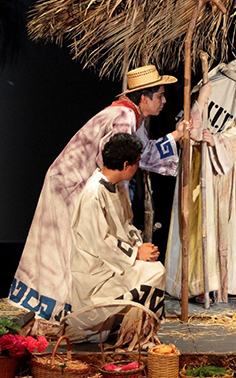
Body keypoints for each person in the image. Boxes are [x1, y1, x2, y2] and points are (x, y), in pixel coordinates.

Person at [9, 65, 189, 322]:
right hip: (71, 183)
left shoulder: (131, 115)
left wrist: (176, 135)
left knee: (78, 241)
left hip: (84, 181)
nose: (164, 101)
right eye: (159, 95)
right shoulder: (124, 116)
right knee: (67, 243)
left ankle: (69, 304)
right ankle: (60, 306)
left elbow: (143, 153)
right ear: (143, 97)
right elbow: (119, 162)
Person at [165, 59, 236, 302]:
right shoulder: (207, 93)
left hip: (222, 170)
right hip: (196, 166)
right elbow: (187, 129)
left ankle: (218, 283)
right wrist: (202, 100)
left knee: (221, 224)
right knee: (197, 223)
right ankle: (196, 284)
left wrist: (215, 140)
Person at [66, 133, 165, 343]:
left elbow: (126, 225)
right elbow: (101, 242)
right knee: (154, 272)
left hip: (115, 264)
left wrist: (142, 248)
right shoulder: (93, 194)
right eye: (136, 162)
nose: (138, 167)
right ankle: (130, 335)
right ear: (126, 164)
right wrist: (136, 254)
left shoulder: (118, 186)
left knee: (154, 269)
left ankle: (135, 332)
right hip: (97, 273)